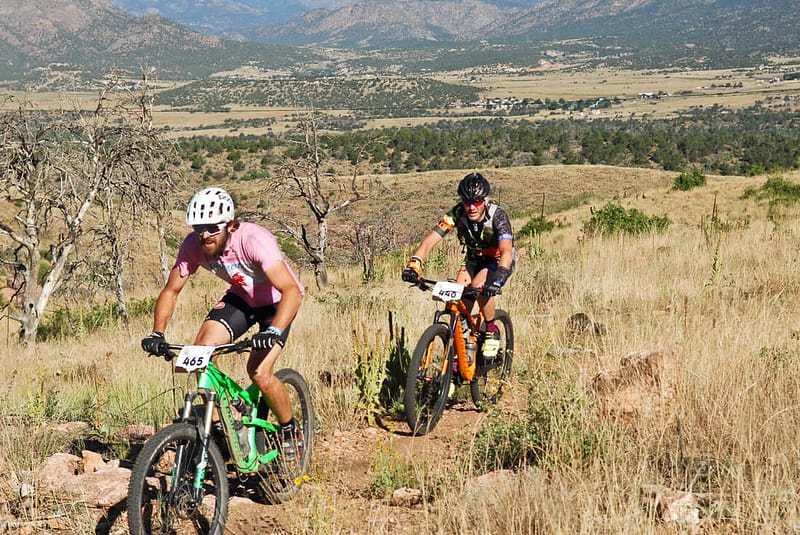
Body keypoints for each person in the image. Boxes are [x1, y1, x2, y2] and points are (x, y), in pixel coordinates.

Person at [141, 186, 305, 465]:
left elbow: (291, 290)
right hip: (241, 299)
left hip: (277, 302)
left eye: (212, 228)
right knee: (200, 353)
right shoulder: (193, 245)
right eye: (198, 228)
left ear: (230, 225)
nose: (204, 234)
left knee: (259, 373)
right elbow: (171, 290)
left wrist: (273, 331)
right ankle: (226, 422)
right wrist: (157, 332)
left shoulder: (254, 240)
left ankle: (291, 430)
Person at [402, 172, 514, 357]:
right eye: (467, 201)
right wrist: (413, 265)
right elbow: (429, 241)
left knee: (478, 286)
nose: (471, 207)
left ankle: (491, 330)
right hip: (473, 260)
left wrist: (498, 279)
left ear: (486, 200)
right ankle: (458, 357)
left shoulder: (498, 215)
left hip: (497, 260)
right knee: (457, 303)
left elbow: (506, 251)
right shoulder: (456, 213)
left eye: (477, 202)